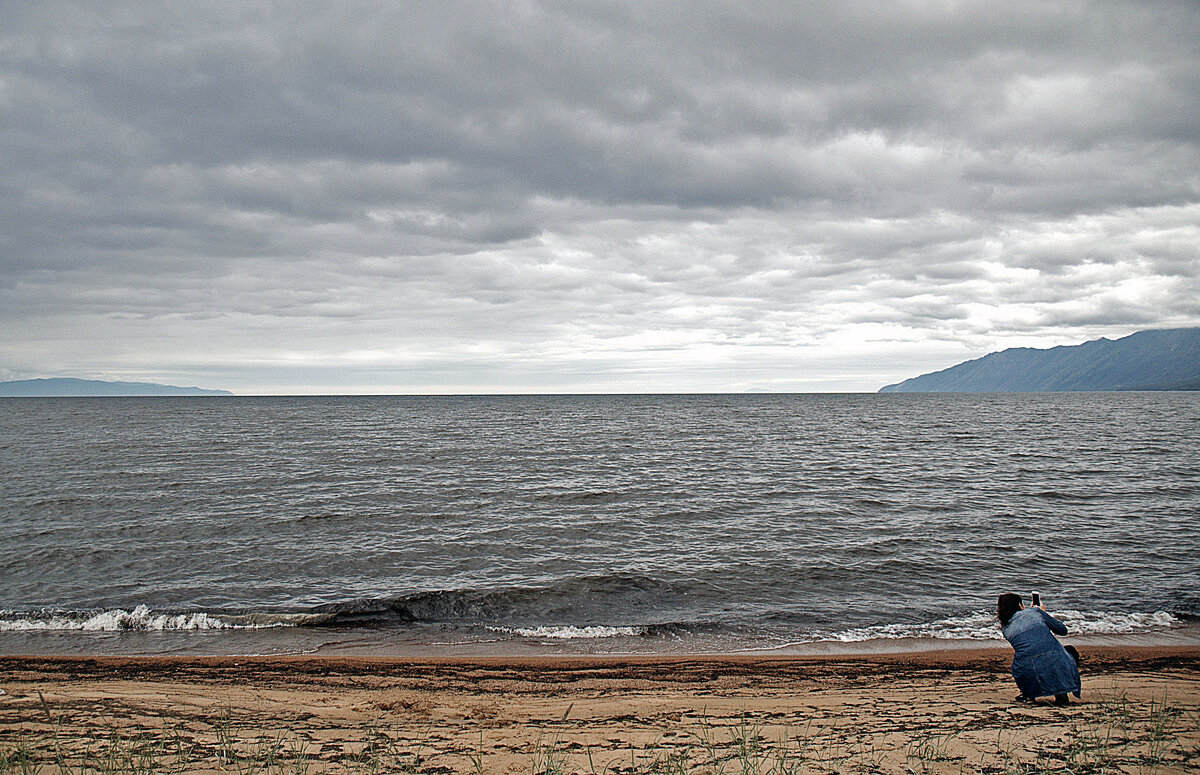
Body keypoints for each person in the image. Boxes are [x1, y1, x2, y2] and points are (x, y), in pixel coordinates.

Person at [997, 592, 1081, 705]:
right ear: (1020, 605)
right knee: (1069, 651)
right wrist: (1043, 613)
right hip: (1053, 663)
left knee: (1030, 656)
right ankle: (1061, 692)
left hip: (1024, 671)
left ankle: (1030, 694)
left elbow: (1030, 640)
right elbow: (1062, 630)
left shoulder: (1005, 627)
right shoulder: (1035, 612)